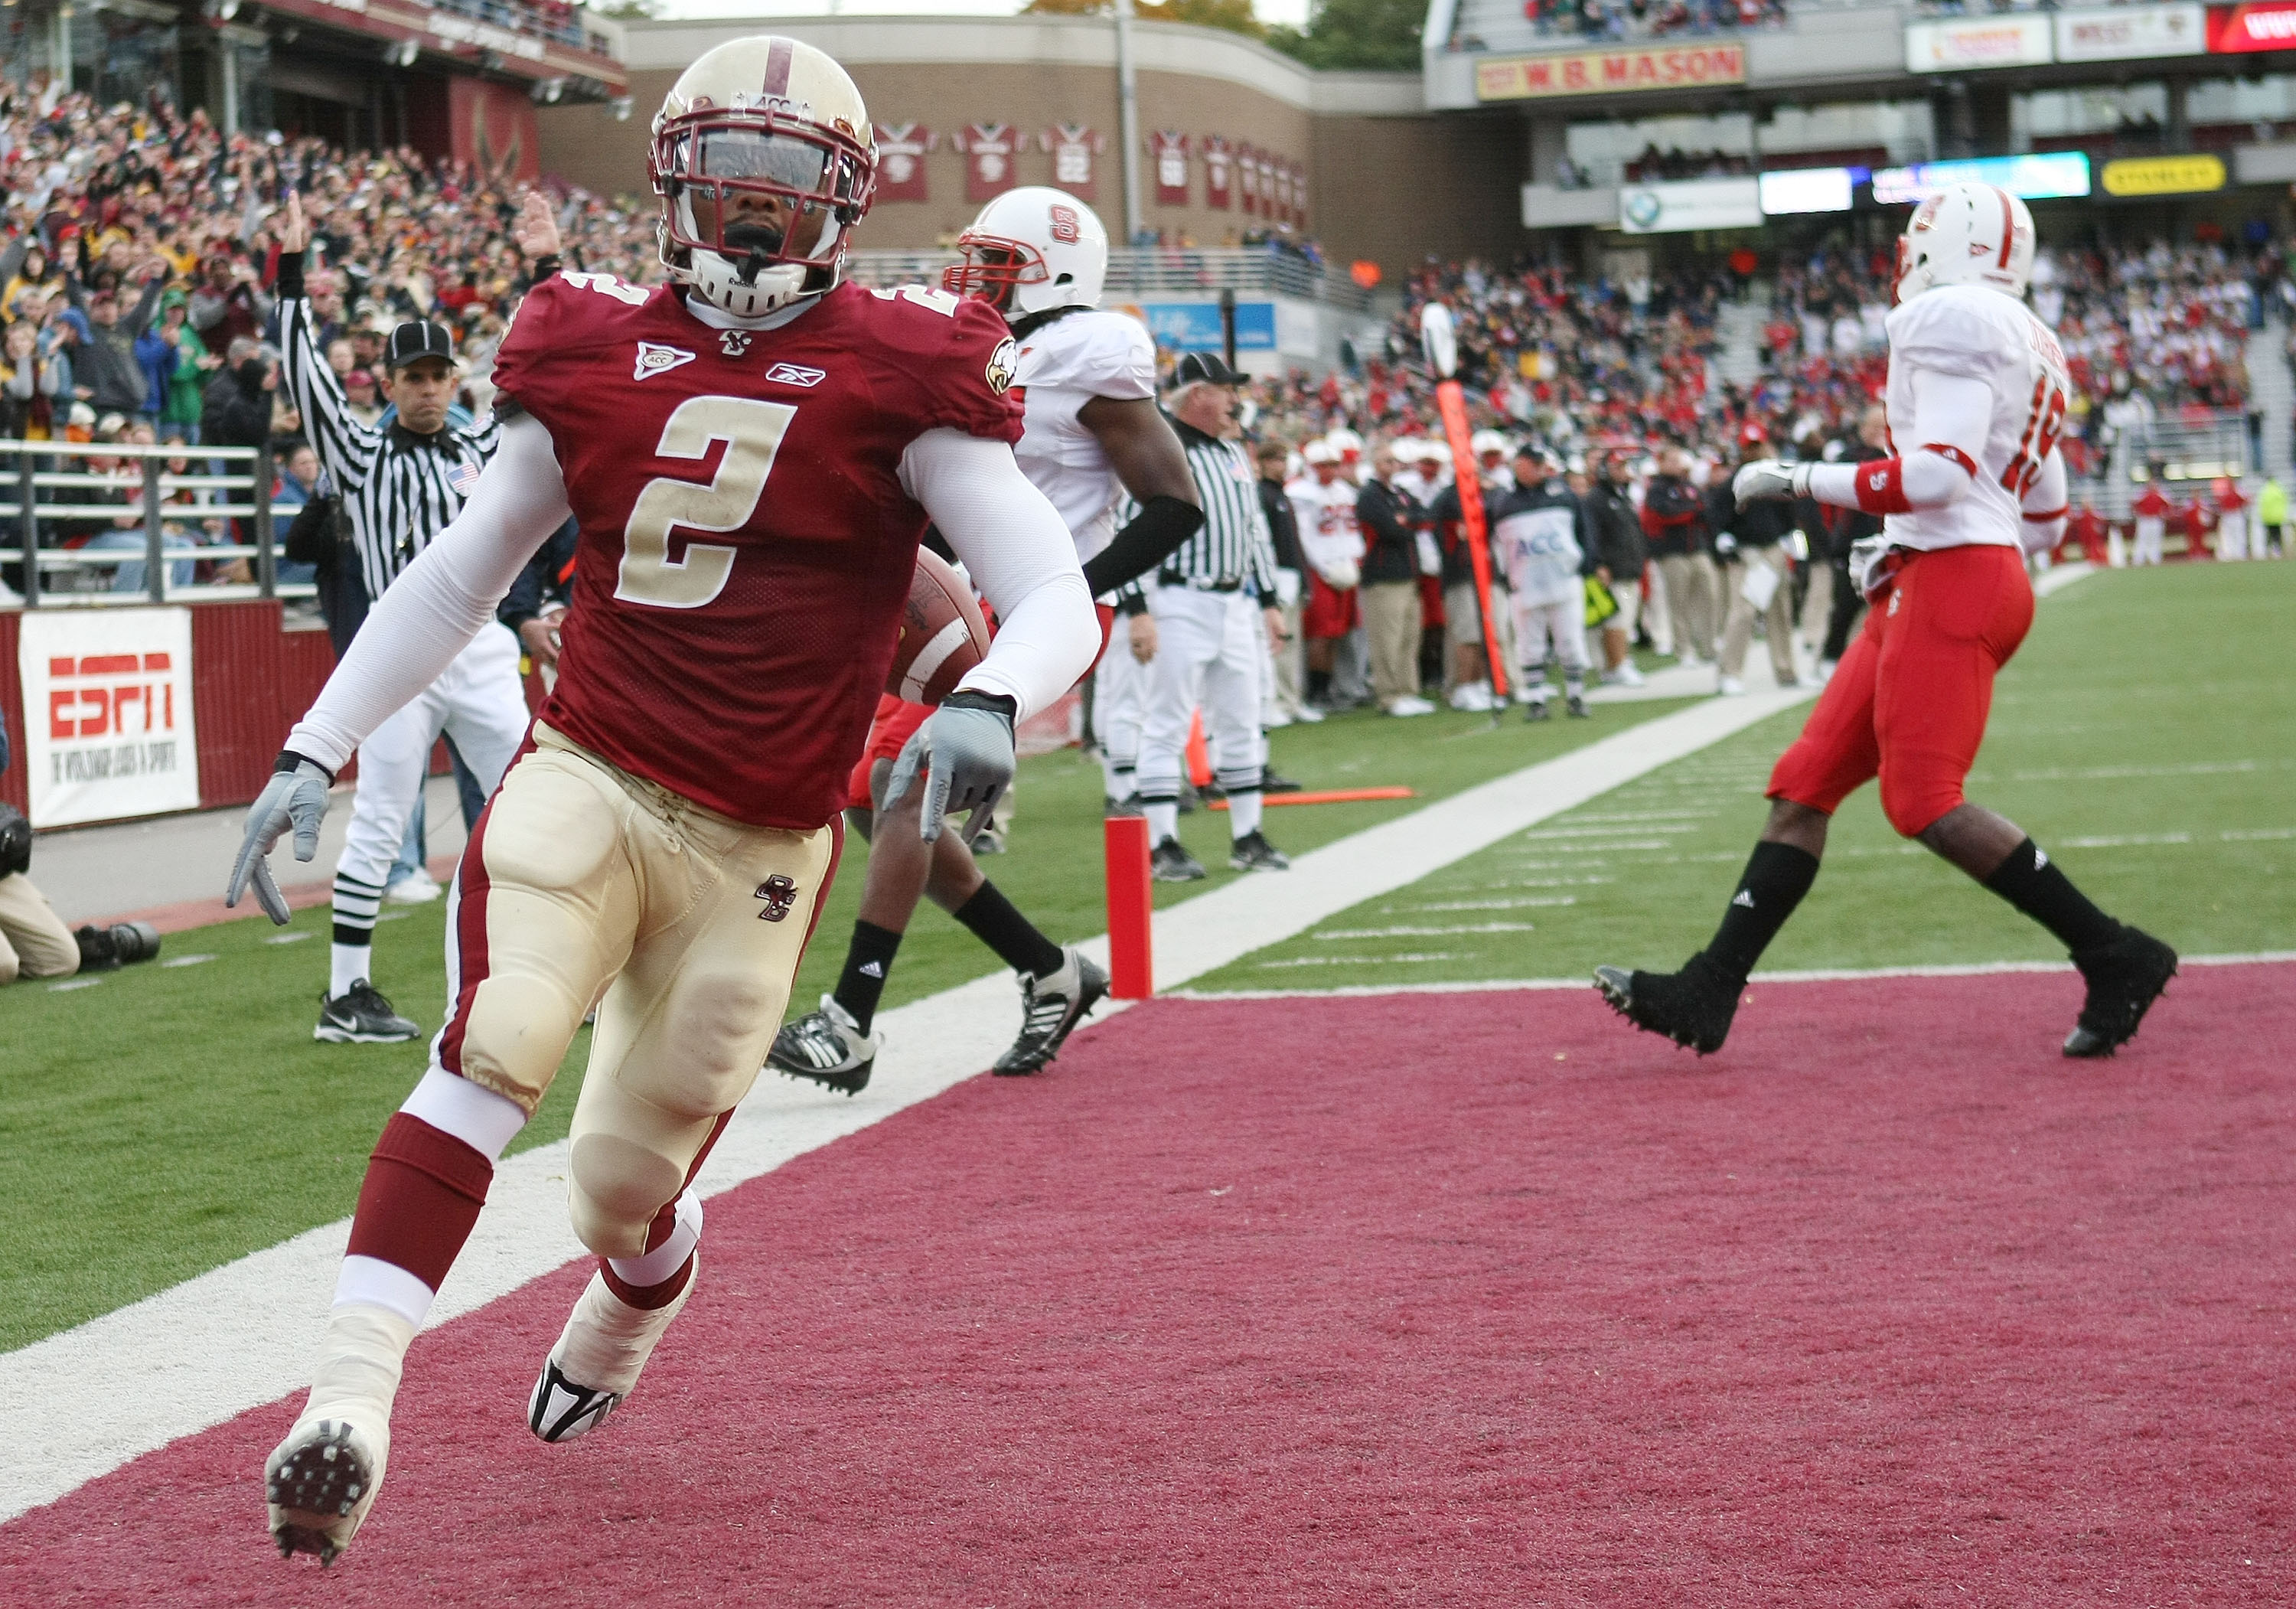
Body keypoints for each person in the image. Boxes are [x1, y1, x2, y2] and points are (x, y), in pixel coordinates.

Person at [226, 37, 1098, 1568]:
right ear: (675, 183)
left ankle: (637, 1299)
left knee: (622, 1191)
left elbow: (1051, 594)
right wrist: (323, 734)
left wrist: (980, 701)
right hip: (593, 770)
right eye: (730, 181)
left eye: (786, 187)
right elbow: (463, 569)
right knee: (495, 1047)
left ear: (839, 198)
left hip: (764, 837)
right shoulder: (582, 337)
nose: (754, 220)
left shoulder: (911, 360)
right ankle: (352, 1404)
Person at [1596, 182, 2175, 1062]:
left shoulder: (1950, 317)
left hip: (1951, 578)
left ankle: (2115, 951)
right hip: (1952, 571)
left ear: (1945, 242)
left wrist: (1799, 478)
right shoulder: (2029, 335)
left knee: (1922, 801)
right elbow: (2048, 510)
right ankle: (1709, 986)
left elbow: (1938, 474)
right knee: (1805, 782)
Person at [768, 186, 1202, 1092]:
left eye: (1000, 265)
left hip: (1025, 608)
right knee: (872, 798)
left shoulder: (1092, 347)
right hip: (967, 599)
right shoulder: (1001, 350)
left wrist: (1065, 592)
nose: (978, 278)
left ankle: (848, 1020)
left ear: (1058, 271)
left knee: (906, 791)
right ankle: (1051, 967)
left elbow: (1175, 502)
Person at [271, 188, 557, 1045]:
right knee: (383, 819)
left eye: (440, 376)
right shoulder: (357, 451)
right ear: (388, 383)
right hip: (398, 660)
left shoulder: (480, 444)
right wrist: (290, 275)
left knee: (527, 804)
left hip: (480, 649)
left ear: (455, 380)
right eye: (414, 377)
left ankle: (536, 973)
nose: (429, 389)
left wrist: (543, 269)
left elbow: (551, 373)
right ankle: (345, 993)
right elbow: (305, 377)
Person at [1140, 351, 1289, 880]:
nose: (1236, 400)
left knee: (1242, 720)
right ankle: (1161, 843)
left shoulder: (1232, 452)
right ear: (1199, 394)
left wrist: (1268, 601)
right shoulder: (1160, 447)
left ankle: (1248, 835)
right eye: (1228, 390)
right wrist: (1138, 609)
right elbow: (1126, 527)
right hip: (1179, 598)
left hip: (1234, 603)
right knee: (1167, 721)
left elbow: (1253, 531)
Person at [1490, 445, 1593, 720]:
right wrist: (1504, 576)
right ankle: (1535, 699)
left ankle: (1575, 694)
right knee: (1529, 643)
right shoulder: (1504, 502)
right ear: (1518, 465)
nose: (1535, 469)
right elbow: (1495, 543)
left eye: (1538, 464)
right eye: (1530, 463)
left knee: (1570, 640)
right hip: (1525, 582)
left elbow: (1583, 531)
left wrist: (1586, 563)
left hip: (1563, 578)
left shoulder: (1564, 495)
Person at [1710, 425, 1800, 696]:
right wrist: (1723, 544)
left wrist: (1791, 538)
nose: (1755, 451)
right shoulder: (1733, 483)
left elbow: (1789, 513)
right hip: (1746, 553)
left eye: (1757, 445)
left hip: (1773, 549)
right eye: (1750, 446)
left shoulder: (1774, 478)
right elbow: (1717, 518)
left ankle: (1786, 671)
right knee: (1743, 612)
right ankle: (1730, 672)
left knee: (1781, 612)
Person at [1355, 442, 1433, 716]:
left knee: (1409, 637)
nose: (1392, 465)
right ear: (1375, 463)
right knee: (1387, 639)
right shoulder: (1369, 495)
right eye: (1386, 460)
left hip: (1408, 574)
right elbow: (1390, 529)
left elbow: (1426, 518)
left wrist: (1406, 520)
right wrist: (1404, 523)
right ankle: (1389, 695)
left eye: (1394, 460)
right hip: (1383, 576)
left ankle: (1407, 690)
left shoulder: (1401, 493)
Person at [1290, 439, 1362, 710]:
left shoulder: (1343, 490)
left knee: (1337, 632)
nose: (1329, 471)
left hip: (1344, 564)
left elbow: (1351, 529)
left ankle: (1330, 688)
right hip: (1320, 569)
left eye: (1334, 465)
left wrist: (1355, 557)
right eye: (1323, 466)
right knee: (1320, 633)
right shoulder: (1301, 493)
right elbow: (1304, 536)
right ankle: (1317, 691)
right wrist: (1323, 567)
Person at [1255, 436, 1320, 725]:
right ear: (1265, 462)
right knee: (1277, 641)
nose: (1282, 466)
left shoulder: (1282, 496)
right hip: (1277, 574)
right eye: (1277, 460)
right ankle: (1277, 701)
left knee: (1293, 642)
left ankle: (1293, 699)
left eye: (1284, 460)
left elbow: (1294, 543)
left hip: (1291, 575)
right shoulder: (1263, 495)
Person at [1642, 444, 1718, 664]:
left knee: (1708, 596)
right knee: (1679, 601)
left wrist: (1690, 511)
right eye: (1672, 460)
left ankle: (1709, 646)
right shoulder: (1657, 488)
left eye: (1678, 460)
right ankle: (1684, 650)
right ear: (1662, 463)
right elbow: (1664, 514)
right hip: (1672, 551)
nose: (1677, 464)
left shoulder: (1689, 486)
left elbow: (1704, 509)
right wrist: (1691, 511)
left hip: (1697, 547)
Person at [1585, 450, 1647, 687]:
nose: (1623, 471)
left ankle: (1620, 661)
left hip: (1629, 566)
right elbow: (1592, 536)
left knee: (1626, 620)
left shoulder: (1622, 497)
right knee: (1616, 621)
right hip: (1613, 568)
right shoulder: (1596, 500)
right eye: (1617, 467)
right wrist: (1599, 563)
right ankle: (1616, 665)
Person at [2130, 479, 2169, 566]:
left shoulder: (2160, 494)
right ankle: (2138, 559)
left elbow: (2168, 505)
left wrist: (2165, 514)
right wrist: (2138, 514)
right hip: (2145, 519)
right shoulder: (2143, 494)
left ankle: (2155, 559)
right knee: (2142, 539)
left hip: (2156, 519)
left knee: (2155, 539)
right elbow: (2134, 504)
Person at [2214, 478, 2249, 563]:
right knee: (2227, 535)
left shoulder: (2238, 490)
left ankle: (2240, 553)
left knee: (2238, 534)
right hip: (2227, 514)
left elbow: (2247, 500)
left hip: (2236, 513)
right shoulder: (2224, 491)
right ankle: (2228, 554)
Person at [2258, 474, 2286, 558]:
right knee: (2277, 535)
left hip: (2268, 518)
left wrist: (2263, 516)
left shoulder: (2265, 490)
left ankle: (2268, 551)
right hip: (2278, 517)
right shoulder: (2279, 489)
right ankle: (2277, 551)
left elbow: (2263, 505)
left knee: (2269, 535)